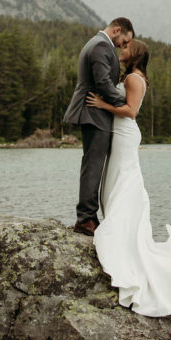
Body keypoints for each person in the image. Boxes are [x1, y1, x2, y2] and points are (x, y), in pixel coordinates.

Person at [86, 39, 171, 317]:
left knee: (123, 182)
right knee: (113, 184)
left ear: (135, 55)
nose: (121, 51)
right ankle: (118, 228)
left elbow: (131, 112)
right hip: (119, 134)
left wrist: (103, 103)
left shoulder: (135, 79)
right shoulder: (130, 77)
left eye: (125, 49)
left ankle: (123, 236)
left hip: (125, 133)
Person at [63, 18, 135, 235]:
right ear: (116, 30)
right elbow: (103, 83)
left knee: (92, 164)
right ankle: (85, 219)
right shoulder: (101, 46)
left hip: (95, 113)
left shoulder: (96, 43)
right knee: (93, 166)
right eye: (124, 40)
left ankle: (89, 216)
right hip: (93, 113)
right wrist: (126, 105)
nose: (123, 45)